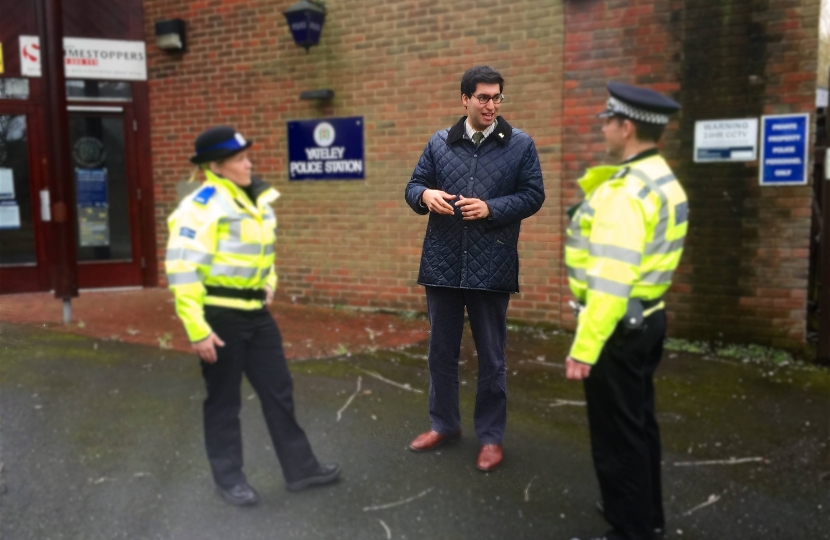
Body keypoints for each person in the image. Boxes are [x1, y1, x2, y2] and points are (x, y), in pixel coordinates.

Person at [165, 125, 340, 506]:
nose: (249, 164)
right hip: (220, 316)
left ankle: (301, 469)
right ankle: (229, 479)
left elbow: (261, 251)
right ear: (217, 165)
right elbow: (182, 270)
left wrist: (269, 279)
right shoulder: (201, 207)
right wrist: (197, 329)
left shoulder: (254, 200)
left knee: (279, 392)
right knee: (224, 402)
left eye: (247, 157)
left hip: (257, 315)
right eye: (241, 158)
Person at [404, 66, 545, 472]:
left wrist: (491, 208)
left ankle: (490, 438)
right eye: (483, 97)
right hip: (441, 266)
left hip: (492, 265)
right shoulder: (439, 143)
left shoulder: (520, 145)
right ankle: (443, 425)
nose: (491, 104)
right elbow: (413, 186)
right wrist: (425, 194)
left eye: (498, 97)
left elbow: (534, 195)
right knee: (440, 353)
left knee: (492, 358)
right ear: (464, 99)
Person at [563, 82, 687, 540]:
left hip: (616, 325)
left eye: (607, 120)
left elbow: (610, 286)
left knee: (616, 434)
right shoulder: (663, 178)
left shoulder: (627, 192)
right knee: (639, 424)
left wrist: (585, 348)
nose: (604, 127)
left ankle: (630, 527)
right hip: (648, 317)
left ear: (626, 126)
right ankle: (644, 513)